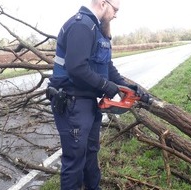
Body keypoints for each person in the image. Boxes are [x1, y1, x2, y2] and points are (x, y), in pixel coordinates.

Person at [47, 0, 149, 189]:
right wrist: (106, 86)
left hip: (88, 104)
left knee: (91, 152)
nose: (116, 14)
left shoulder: (98, 30)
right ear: (103, 3)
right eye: (115, 10)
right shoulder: (81, 26)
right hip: (72, 103)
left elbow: (106, 67)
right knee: (74, 159)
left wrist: (125, 86)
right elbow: (76, 68)